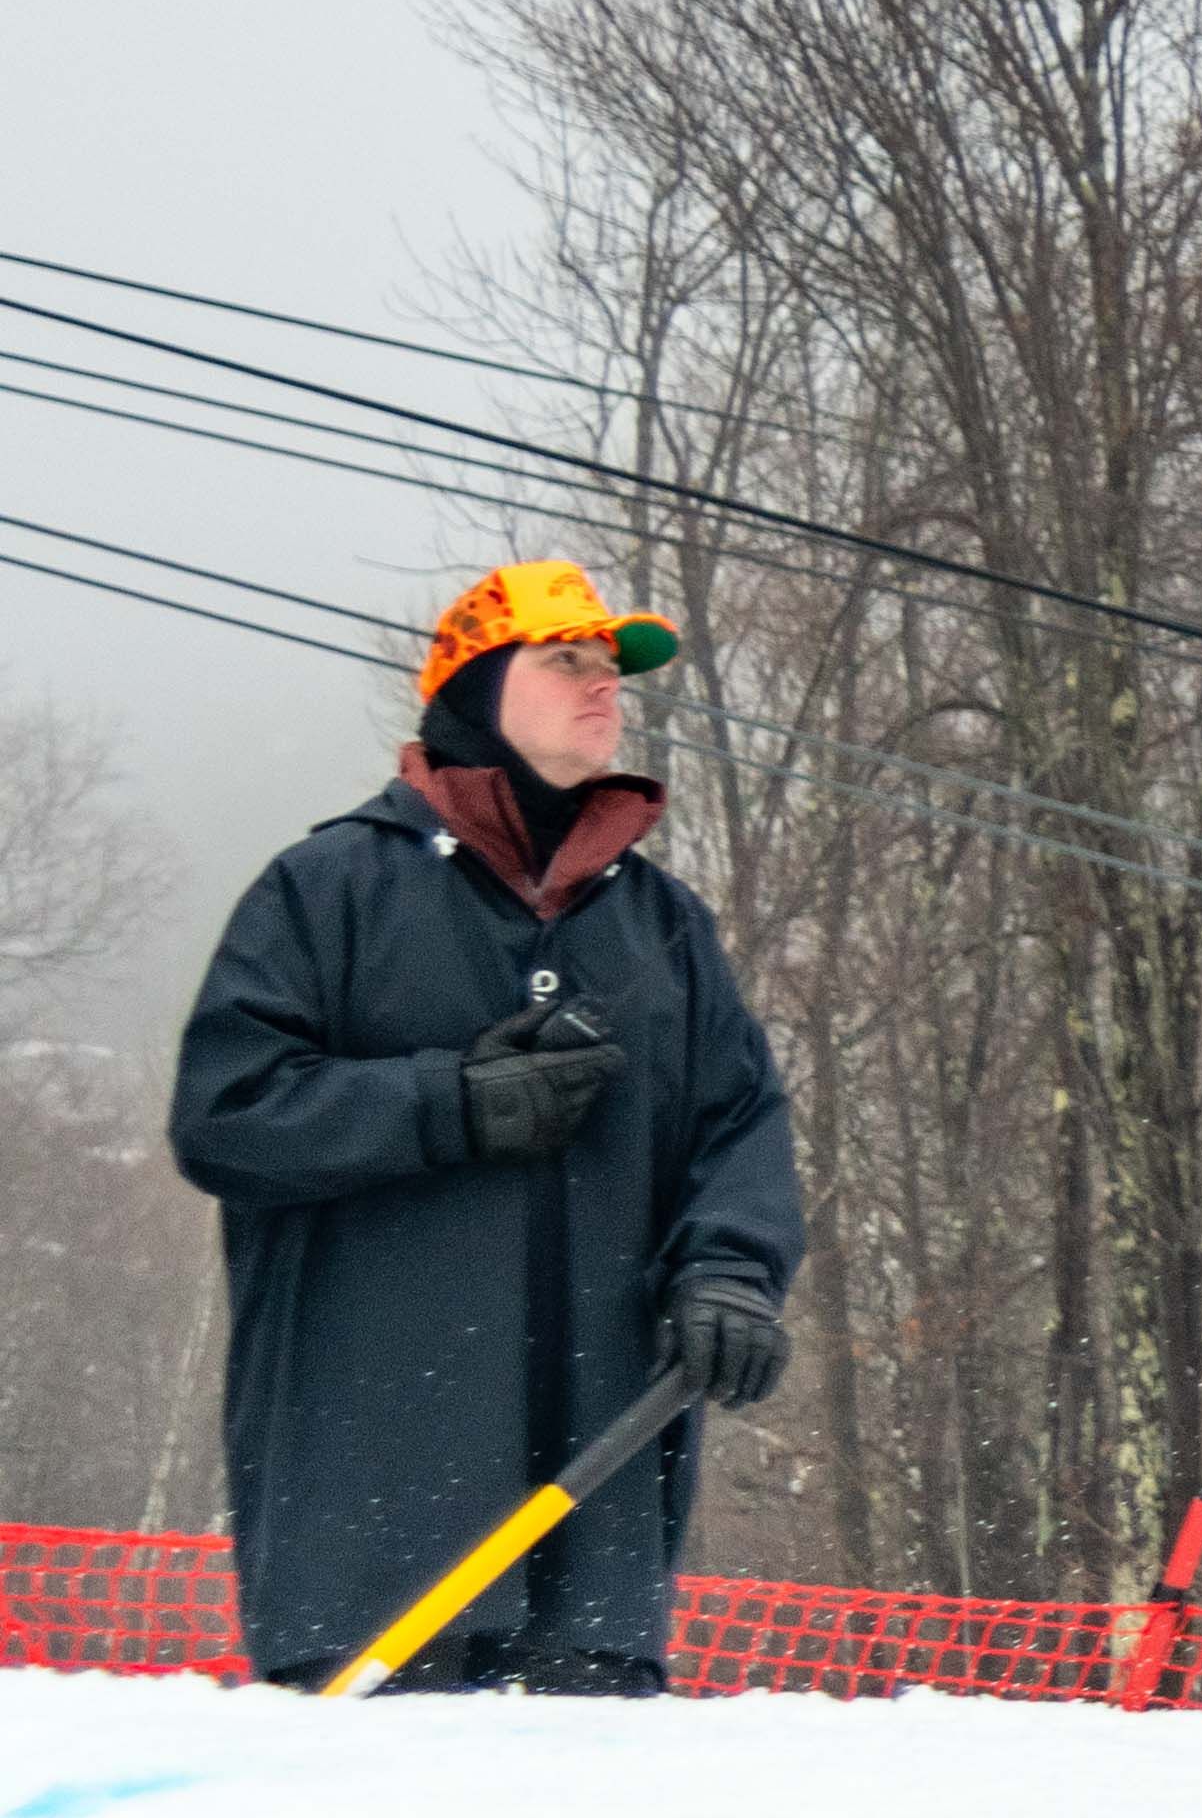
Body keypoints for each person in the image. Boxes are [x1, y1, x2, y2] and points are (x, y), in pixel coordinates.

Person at [169, 560, 803, 1692]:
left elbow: (739, 1124)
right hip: (369, 1562)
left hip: (595, 1551)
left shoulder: (665, 927)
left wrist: (731, 1270)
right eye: (566, 660)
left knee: (573, 1812)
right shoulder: (327, 890)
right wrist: (447, 1104)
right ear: (474, 689)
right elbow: (226, 1116)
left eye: (610, 668)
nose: (602, 686)